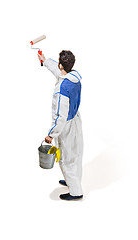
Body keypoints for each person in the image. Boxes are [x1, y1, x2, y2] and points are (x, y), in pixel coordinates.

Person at [38, 50, 83, 201]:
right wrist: (45, 61)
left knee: (66, 157)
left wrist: (51, 134)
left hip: (66, 126)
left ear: (61, 65)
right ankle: (72, 180)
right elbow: (59, 72)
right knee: (75, 154)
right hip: (75, 120)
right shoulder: (74, 77)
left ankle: (75, 191)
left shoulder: (62, 89)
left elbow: (60, 116)